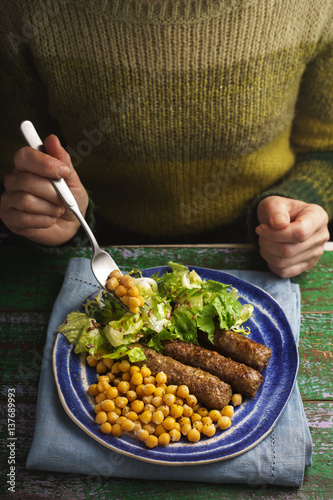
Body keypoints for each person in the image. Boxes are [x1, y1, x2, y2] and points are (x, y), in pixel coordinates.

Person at [0, 0, 332, 278]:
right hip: (90, 245)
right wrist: (51, 214)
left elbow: (324, 150)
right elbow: (14, 168)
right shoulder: (23, 10)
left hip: (257, 248)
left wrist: (296, 207)